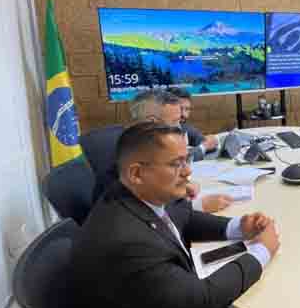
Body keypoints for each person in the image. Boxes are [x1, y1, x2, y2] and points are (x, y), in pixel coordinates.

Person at [71, 121, 300, 308]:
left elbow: (184, 217)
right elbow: (204, 299)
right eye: (175, 164)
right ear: (136, 173)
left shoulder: (129, 194)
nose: (188, 171)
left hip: (152, 307)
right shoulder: (127, 242)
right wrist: (262, 250)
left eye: (186, 160)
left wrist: (238, 227)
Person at [90, 89, 231, 214]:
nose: (180, 128)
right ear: (152, 122)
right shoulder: (125, 158)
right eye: (175, 122)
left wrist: (176, 186)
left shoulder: (141, 146)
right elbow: (138, 214)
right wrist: (197, 206)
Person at [166, 87, 219, 158]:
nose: (184, 115)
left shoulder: (183, 127)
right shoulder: (156, 132)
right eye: (179, 108)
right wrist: (203, 147)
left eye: (187, 109)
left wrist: (209, 141)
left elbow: (207, 141)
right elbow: (176, 160)